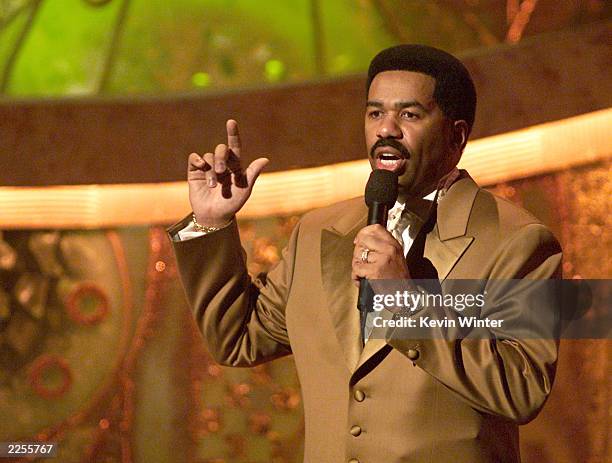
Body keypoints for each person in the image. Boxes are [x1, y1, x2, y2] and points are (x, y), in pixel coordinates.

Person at [168, 45, 562, 463]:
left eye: (409, 115)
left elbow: (523, 389)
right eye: (375, 113)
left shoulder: (519, 241)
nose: (386, 130)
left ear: (456, 135)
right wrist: (212, 223)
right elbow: (238, 339)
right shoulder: (319, 232)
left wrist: (405, 303)